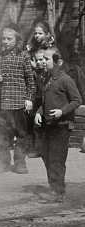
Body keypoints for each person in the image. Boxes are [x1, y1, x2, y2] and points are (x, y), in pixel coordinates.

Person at [34, 46, 81, 203]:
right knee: (46, 156)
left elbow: (77, 100)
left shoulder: (66, 80)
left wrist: (62, 111)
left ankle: (58, 192)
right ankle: (53, 187)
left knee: (57, 159)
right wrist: (39, 112)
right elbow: (45, 102)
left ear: (58, 62)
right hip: (48, 125)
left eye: (47, 59)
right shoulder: (47, 79)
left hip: (62, 125)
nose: (43, 61)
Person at [0, 23, 35, 174]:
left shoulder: (23, 56)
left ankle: (20, 163)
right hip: (4, 104)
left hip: (19, 103)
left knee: (21, 134)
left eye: (9, 38)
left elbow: (30, 81)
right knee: (3, 135)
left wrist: (29, 99)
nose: (5, 41)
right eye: (3, 38)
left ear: (17, 39)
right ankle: (4, 162)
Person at [28, 49, 47, 158]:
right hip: (38, 103)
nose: (39, 62)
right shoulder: (37, 73)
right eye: (37, 60)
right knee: (37, 126)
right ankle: (38, 149)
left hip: (47, 103)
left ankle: (42, 149)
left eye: (42, 59)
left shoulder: (48, 72)